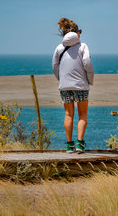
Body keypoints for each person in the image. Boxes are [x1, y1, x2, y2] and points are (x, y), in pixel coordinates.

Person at [52, 18, 94, 154]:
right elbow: (87, 63)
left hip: (65, 86)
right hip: (81, 86)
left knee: (68, 114)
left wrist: (61, 80)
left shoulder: (59, 48)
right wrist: (90, 79)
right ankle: (80, 144)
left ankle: (69, 145)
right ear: (77, 33)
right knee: (82, 114)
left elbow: (55, 66)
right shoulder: (83, 46)